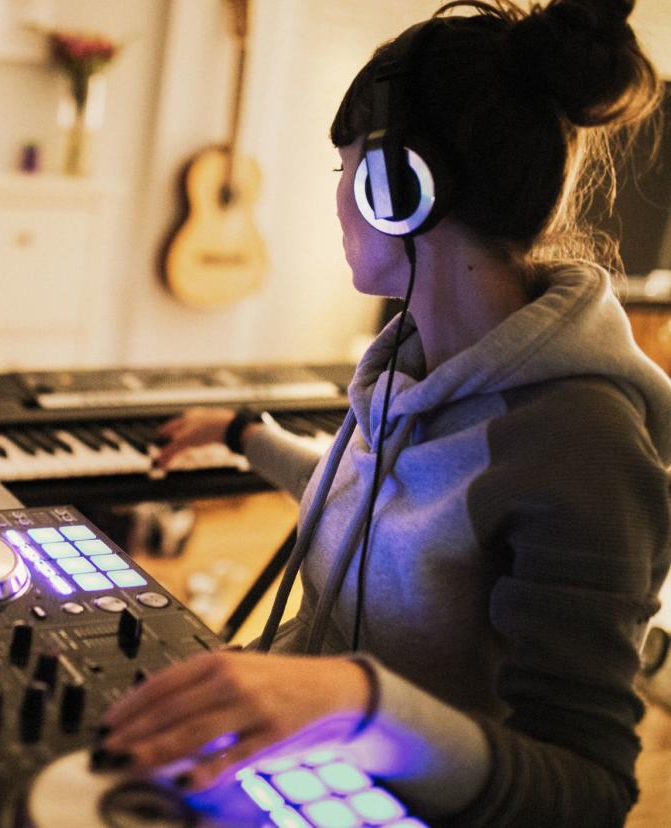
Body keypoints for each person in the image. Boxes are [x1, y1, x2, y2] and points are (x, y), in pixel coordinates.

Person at [95, 1, 671, 824]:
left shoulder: (582, 442)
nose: (338, 205)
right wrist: (241, 435)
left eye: (345, 173)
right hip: (309, 775)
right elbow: (379, 498)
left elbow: (588, 790)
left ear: (397, 188)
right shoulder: (421, 360)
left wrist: (360, 703)